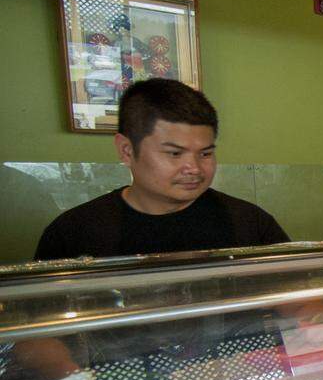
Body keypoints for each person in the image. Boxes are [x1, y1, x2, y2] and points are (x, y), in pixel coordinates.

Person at [34, 79, 288, 260]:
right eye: (174, 153)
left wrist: (315, 324)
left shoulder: (250, 223)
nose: (194, 168)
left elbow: (297, 299)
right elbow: (40, 327)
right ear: (126, 150)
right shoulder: (74, 233)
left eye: (206, 153)